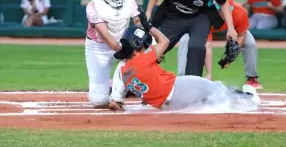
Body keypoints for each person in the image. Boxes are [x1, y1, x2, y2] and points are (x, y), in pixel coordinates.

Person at [109, 21, 260, 112]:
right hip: (178, 89)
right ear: (136, 45)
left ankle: (230, 99)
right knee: (215, 88)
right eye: (143, 45)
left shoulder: (123, 72)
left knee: (204, 99)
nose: (146, 47)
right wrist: (150, 27)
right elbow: (165, 41)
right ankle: (249, 97)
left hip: (167, 106)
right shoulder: (141, 59)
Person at [177, 0, 262, 89]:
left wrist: (230, 57)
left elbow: (241, 35)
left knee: (249, 42)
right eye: (220, 8)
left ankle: (252, 78)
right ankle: (182, 79)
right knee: (185, 40)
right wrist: (209, 74)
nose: (222, 11)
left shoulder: (240, 12)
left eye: (227, 8)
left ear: (232, 7)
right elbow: (207, 46)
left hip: (229, 31)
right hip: (205, 30)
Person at [84, 0, 141, 108]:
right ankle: (111, 86)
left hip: (122, 43)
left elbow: (139, 23)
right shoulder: (93, 6)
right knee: (99, 101)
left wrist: (142, 46)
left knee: (140, 54)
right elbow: (106, 35)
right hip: (99, 47)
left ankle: (118, 94)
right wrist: (125, 51)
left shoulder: (129, 1)